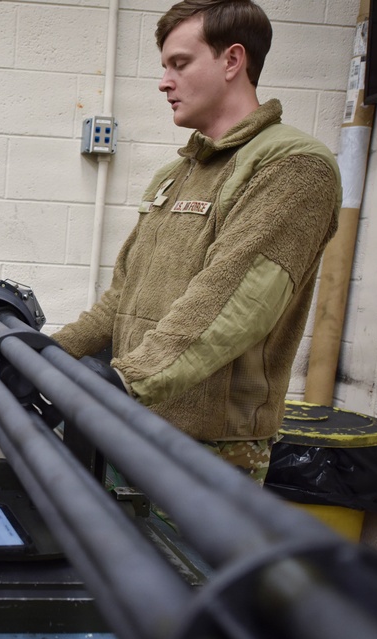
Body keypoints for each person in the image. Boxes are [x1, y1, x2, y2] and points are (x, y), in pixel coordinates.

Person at [53, 0, 341, 484]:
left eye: (180, 64)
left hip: (208, 451)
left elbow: (233, 302)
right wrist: (45, 354)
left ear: (232, 60)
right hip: (134, 421)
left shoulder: (292, 166)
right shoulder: (175, 175)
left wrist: (125, 380)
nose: (163, 82)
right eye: (164, 67)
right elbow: (120, 299)